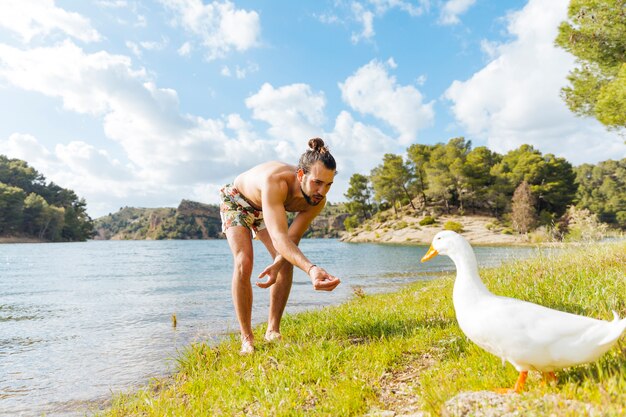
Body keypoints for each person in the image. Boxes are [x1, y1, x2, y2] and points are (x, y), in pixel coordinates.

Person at [220, 138, 341, 354]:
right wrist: (312, 269)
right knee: (244, 262)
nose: (322, 191)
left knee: (287, 260)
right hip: (237, 201)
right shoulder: (275, 182)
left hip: (266, 209)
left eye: (328, 185)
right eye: (317, 182)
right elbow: (279, 237)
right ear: (301, 175)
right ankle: (247, 339)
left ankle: (272, 330)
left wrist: (278, 262)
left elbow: (290, 240)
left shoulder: (317, 201)